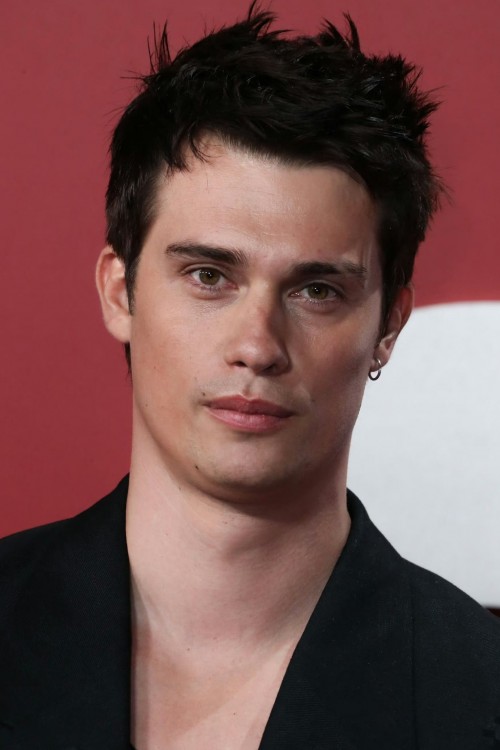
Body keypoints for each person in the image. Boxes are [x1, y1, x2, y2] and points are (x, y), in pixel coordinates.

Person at [1, 5, 499, 749]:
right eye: (209, 275)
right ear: (120, 292)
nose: (257, 346)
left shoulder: (479, 696)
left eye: (317, 290)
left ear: (388, 326)